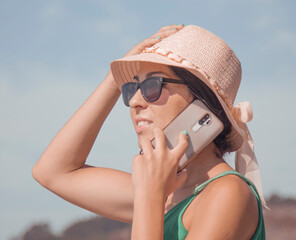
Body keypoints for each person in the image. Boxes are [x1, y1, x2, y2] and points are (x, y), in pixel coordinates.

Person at [32, 24, 267, 239]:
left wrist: (150, 197)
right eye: (130, 88)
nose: (134, 101)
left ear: (201, 102)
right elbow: (52, 172)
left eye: (152, 86)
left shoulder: (227, 193)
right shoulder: (164, 191)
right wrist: (112, 81)